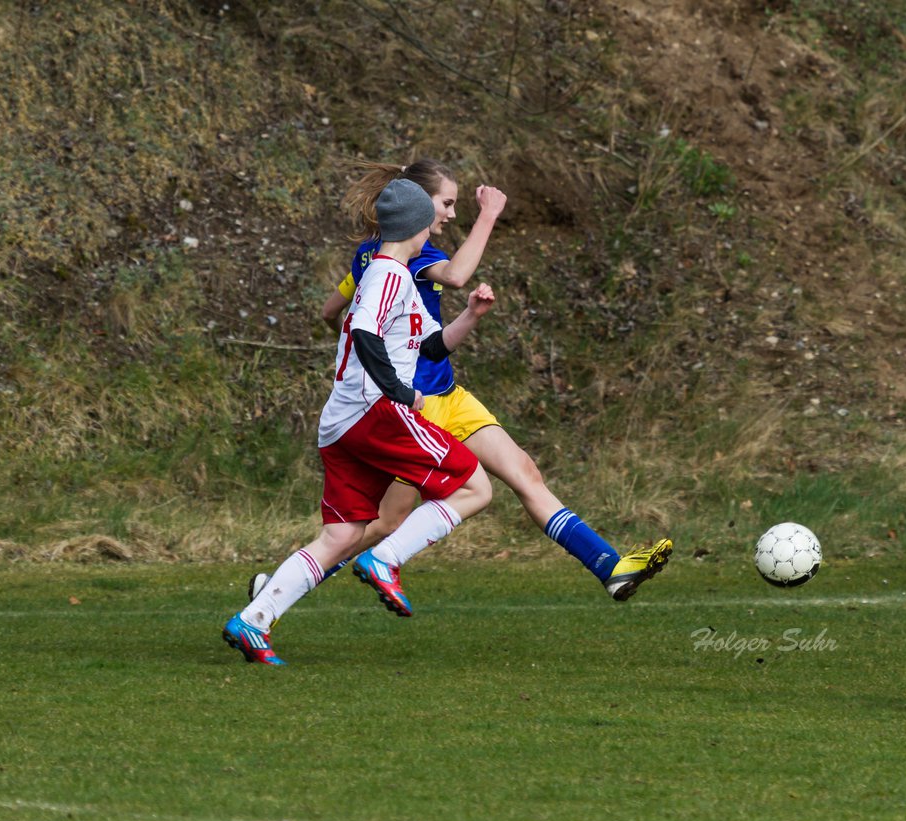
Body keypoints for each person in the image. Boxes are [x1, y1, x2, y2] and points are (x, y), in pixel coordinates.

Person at [248, 159, 672, 618]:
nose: (451, 214)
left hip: (447, 393)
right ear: (417, 204)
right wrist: (489, 213)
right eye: (447, 203)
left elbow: (333, 309)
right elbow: (456, 276)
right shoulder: (414, 255)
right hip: (415, 407)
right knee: (382, 525)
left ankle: (610, 567)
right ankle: (276, 591)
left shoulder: (369, 255)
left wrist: (353, 341)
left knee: (524, 473)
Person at [223, 179, 496, 665]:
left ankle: (253, 620)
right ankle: (386, 559)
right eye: (434, 214)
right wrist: (397, 392)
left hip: (344, 422)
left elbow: (430, 346)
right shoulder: (387, 275)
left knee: (343, 536)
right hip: (374, 412)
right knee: (474, 487)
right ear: (416, 224)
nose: (441, 220)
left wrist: (471, 317)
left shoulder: (398, 275)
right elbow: (366, 330)